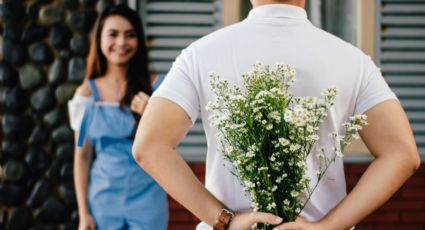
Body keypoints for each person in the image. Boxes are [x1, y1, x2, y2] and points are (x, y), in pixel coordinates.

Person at [132, 0, 420, 229]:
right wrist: (328, 226)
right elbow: (403, 154)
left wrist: (224, 220)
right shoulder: (353, 60)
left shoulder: (200, 54)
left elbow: (149, 146)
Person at [68, 4, 168, 230]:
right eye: (113, 34)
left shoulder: (158, 87)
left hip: (149, 198)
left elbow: (169, 146)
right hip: (103, 200)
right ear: (100, 39)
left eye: (130, 35)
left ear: (139, 40)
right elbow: (82, 156)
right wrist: (84, 214)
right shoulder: (86, 94)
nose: (121, 43)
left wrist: (149, 117)